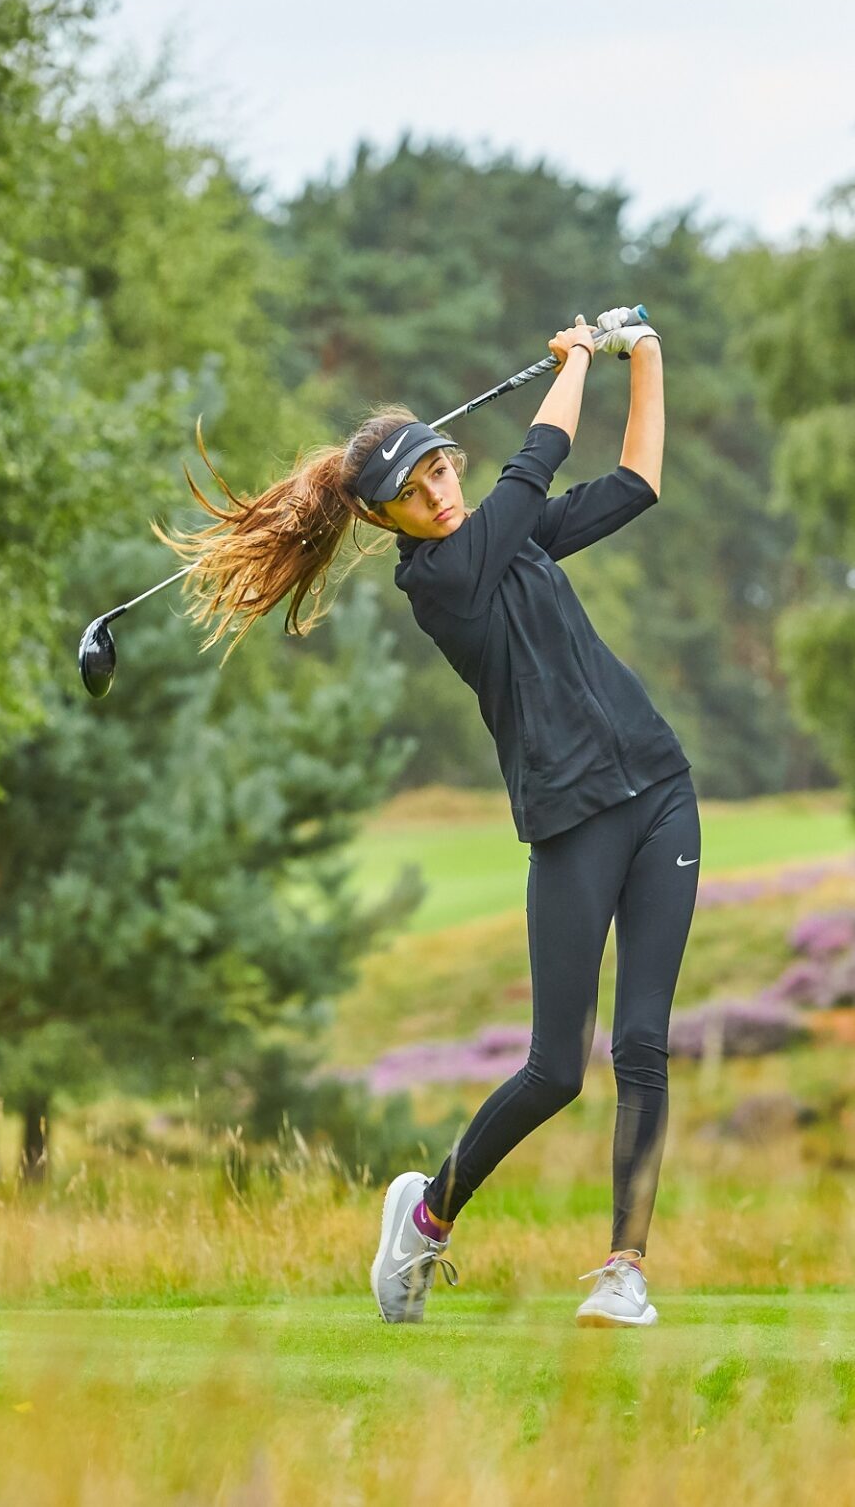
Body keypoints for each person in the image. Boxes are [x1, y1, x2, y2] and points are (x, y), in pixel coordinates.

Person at [164, 311, 692, 1328]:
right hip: (572, 820)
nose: (441, 495)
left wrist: (647, 355)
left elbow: (636, 483)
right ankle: (428, 1214)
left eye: (443, 471)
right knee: (554, 1070)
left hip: (660, 788)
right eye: (415, 491)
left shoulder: (507, 536)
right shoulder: (442, 579)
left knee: (642, 1045)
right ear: (384, 519)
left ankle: (624, 1269)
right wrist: (580, 358)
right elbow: (538, 459)